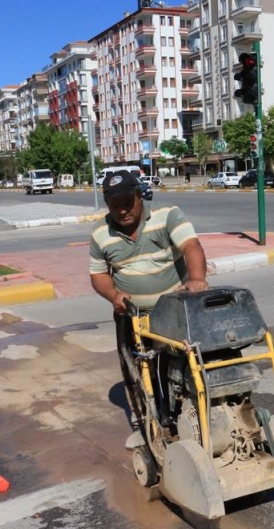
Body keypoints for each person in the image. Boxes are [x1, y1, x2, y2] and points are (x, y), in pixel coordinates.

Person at [89, 170, 209, 442]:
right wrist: (114, 295)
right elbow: (98, 274)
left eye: (127, 202)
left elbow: (191, 245)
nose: (122, 210)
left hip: (173, 309)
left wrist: (197, 279)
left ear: (139, 196)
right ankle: (146, 426)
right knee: (137, 371)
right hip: (131, 315)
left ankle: (186, 417)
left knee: (179, 364)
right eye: (114, 205)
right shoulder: (100, 233)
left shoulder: (167, 215)